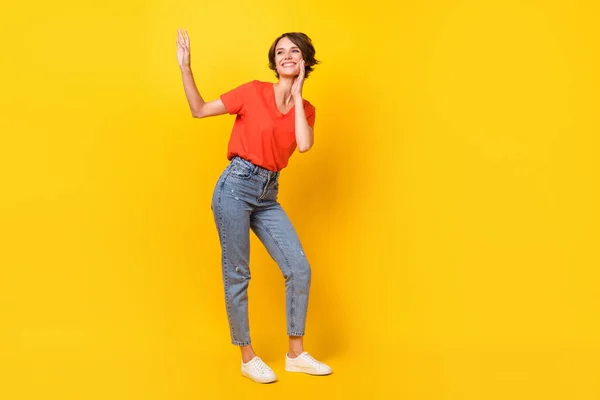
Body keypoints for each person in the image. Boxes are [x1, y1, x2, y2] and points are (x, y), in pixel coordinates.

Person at [176, 28, 332, 383]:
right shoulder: (252, 92)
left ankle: (296, 353)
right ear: (274, 63)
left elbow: (304, 146)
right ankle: (247, 356)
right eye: (280, 53)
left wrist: (296, 94)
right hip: (235, 186)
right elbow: (199, 111)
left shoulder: (306, 110)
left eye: (294, 51)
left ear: (305, 61)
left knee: (299, 267)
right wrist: (186, 68)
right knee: (238, 273)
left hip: (268, 194)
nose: (287, 56)